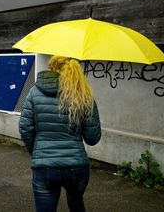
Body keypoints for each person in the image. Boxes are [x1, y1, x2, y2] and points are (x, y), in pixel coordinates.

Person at [19, 56, 101, 212]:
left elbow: (25, 128)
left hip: (44, 166)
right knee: (77, 203)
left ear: (52, 68)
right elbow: (92, 138)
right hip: (76, 166)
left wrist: (37, 152)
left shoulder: (34, 92)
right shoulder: (84, 95)